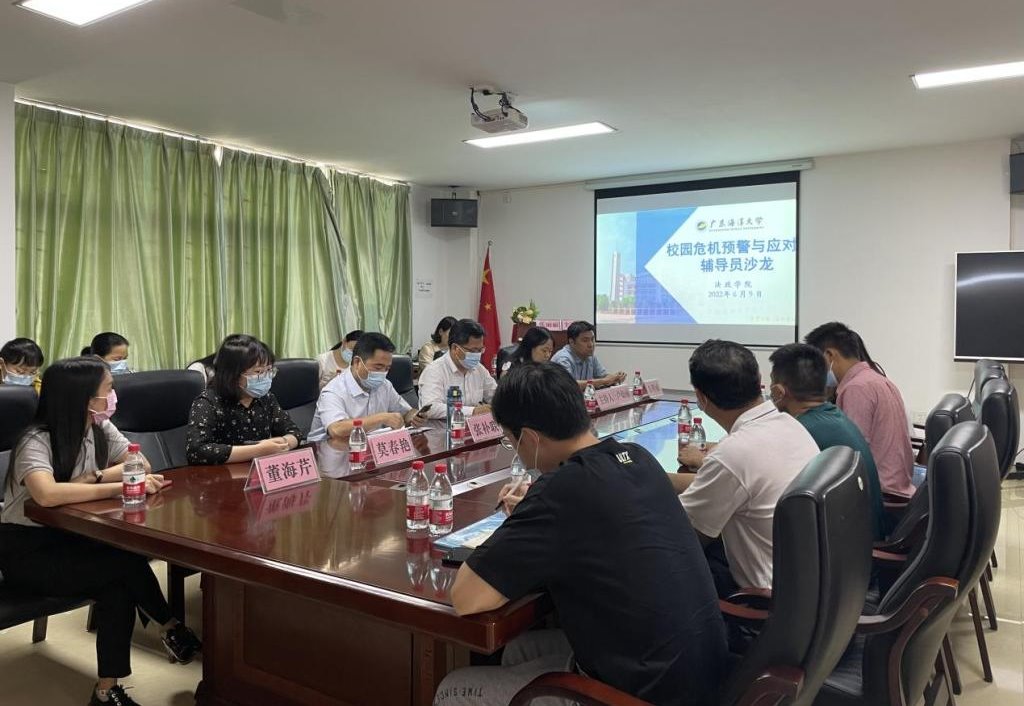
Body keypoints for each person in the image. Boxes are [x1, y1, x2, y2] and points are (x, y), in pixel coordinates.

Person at [436, 364, 728, 706]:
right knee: (519, 650)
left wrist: (528, 517)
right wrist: (534, 519)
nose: (516, 451)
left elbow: (468, 597)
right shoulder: (638, 458)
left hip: (641, 695)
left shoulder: (561, 490)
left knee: (453, 688)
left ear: (529, 437)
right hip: (701, 675)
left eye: (510, 441)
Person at [0, 357, 201, 706]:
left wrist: (91, 477)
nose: (113, 396)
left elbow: (139, 464)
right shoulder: (36, 439)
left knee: (119, 585)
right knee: (125, 564)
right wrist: (117, 486)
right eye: (108, 389)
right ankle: (171, 628)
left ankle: (106, 691)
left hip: (70, 537)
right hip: (26, 550)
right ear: (82, 397)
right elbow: (47, 495)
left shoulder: (98, 426)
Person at [671, 340, 819, 597]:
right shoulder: (790, 425)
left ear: (701, 398)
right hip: (807, 581)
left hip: (766, 599)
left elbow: (683, 536)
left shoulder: (733, 455)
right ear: (759, 381)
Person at [768, 343, 888, 539]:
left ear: (778, 392)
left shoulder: (800, 431)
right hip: (864, 537)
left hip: (849, 547)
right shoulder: (834, 416)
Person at [804, 322, 915, 499]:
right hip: (899, 487)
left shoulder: (856, 388)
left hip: (882, 495)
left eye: (816, 363)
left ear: (830, 355)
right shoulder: (875, 379)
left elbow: (850, 457)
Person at [185, 334, 303, 465]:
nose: (266, 377)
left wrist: (283, 442)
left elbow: (295, 432)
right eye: (258, 372)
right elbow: (197, 451)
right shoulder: (208, 402)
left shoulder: (266, 398)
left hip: (257, 471)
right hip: (222, 474)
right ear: (232, 375)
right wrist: (258, 450)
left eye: (269, 370)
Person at [308, 332, 425, 441]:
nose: (383, 373)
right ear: (357, 362)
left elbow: (405, 413)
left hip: (368, 446)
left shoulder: (384, 385)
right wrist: (381, 418)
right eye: (378, 367)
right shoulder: (333, 390)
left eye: (387, 368)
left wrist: (414, 416)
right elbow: (336, 430)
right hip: (328, 449)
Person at [417, 319, 497, 419]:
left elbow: (496, 396)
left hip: (473, 427)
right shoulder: (434, 371)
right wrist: (473, 411)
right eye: (473, 350)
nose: (477, 355)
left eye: (480, 350)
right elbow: (431, 408)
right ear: (455, 348)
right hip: (443, 428)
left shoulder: (479, 369)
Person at [549, 320, 625, 389]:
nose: (591, 344)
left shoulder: (590, 356)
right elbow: (570, 385)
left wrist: (615, 377)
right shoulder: (563, 359)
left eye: (592, 339)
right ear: (572, 342)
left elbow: (603, 376)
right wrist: (603, 381)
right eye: (585, 340)